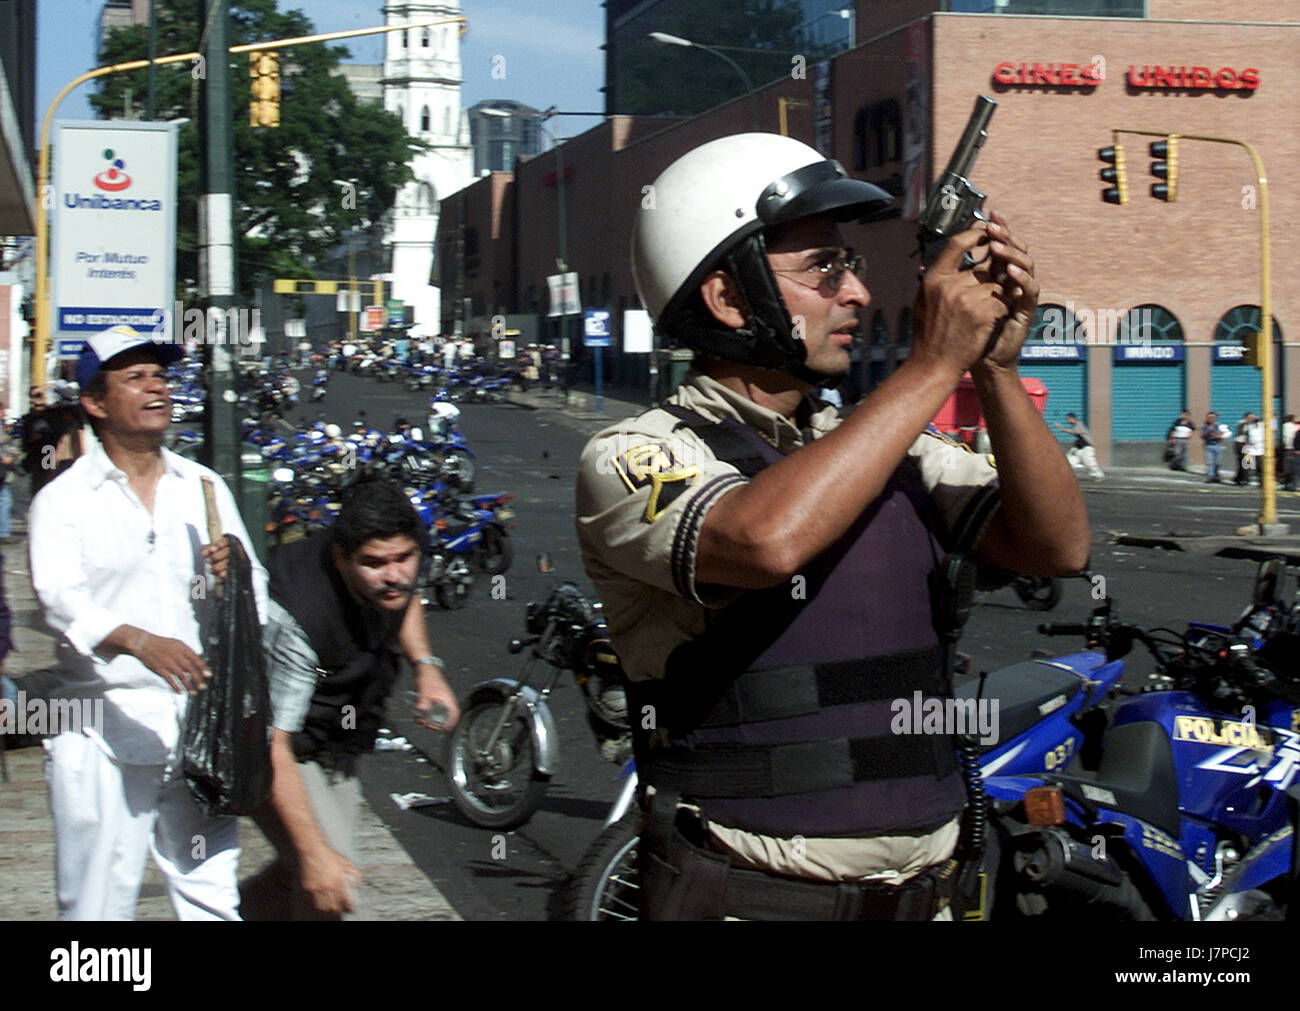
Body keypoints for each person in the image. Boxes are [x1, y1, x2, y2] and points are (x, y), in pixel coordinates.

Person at [575, 134, 1089, 920]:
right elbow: (762, 540)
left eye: (849, 264)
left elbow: (1057, 548)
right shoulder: (638, 453)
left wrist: (992, 369)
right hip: (753, 897)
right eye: (824, 266)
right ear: (728, 296)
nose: (856, 292)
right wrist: (928, 366)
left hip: (931, 894)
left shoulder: (894, 446)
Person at [28, 325, 267, 920]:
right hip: (102, 728)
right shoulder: (63, 502)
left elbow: (257, 595)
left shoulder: (203, 486)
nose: (156, 387)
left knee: (211, 896)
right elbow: (58, 599)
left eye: (159, 375)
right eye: (134, 378)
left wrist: (234, 573)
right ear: (95, 403)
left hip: (197, 731)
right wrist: (136, 642)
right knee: (95, 908)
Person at [248, 478, 460, 919]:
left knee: (306, 875)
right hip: (276, 748)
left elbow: (406, 600)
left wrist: (426, 667)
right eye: (376, 563)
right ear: (340, 558)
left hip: (337, 740)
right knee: (332, 886)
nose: (394, 574)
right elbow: (272, 746)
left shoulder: (393, 574)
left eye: (405, 557)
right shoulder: (295, 616)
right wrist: (314, 855)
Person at [1056, 412, 1105, 480]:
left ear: (1072, 418)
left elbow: (1074, 432)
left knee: (1089, 462)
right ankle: (1065, 477)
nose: (1067, 421)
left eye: (1068, 419)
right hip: (1078, 449)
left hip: (1087, 447)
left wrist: (1062, 429)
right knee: (1069, 462)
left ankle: (1098, 475)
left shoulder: (1079, 424)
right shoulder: (1075, 426)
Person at [1200, 411, 1229, 483]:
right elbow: (1202, 435)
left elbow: (1222, 435)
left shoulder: (1218, 426)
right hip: (1209, 445)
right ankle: (1210, 476)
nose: (1211, 419)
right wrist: (1208, 434)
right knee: (1209, 462)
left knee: (1217, 462)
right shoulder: (1204, 426)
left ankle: (1216, 475)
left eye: (1213, 417)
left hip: (1217, 445)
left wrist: (1218, 436)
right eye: (1209, 417)